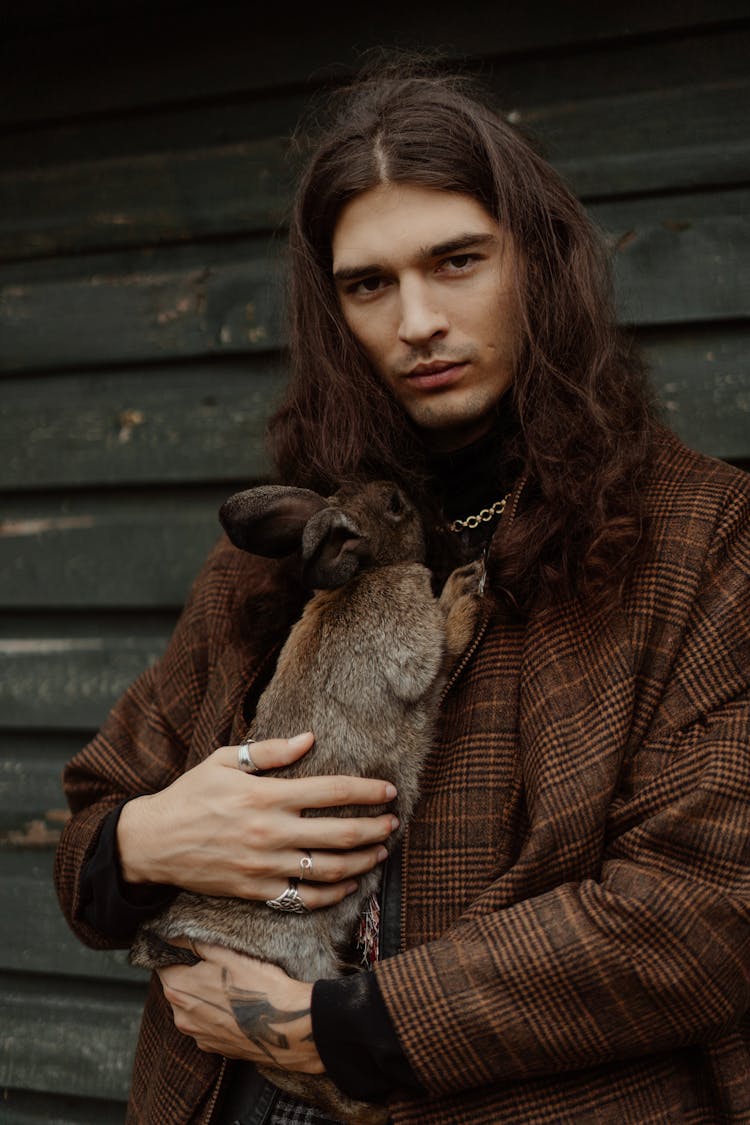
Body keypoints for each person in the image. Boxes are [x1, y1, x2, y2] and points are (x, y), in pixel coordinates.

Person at [54, 60, 750, 1125]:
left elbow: (703, 907)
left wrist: (344, 1028)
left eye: (457, 260)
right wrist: (141, 844)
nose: (415, 319)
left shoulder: (701, 536)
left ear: (541, 262)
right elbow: (94, 822)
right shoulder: (287, 552)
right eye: (367, 284)